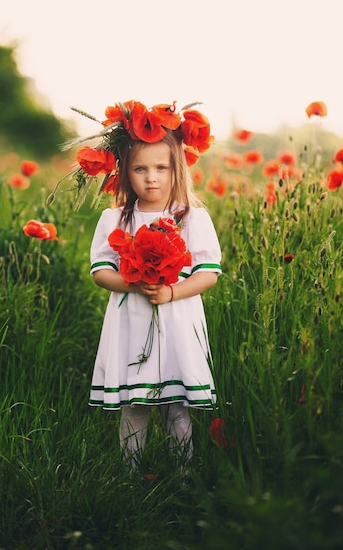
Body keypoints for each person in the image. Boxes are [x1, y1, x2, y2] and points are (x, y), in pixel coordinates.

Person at [82, 100, 222, 475]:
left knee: (178, 405)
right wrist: (134, 281)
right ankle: (130, 477)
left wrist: (172, 292)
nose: (152, 178)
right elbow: (100, 272)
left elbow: (208, 273)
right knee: (135, 404)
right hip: (133, 321)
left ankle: (184, 476)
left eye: (161, 168)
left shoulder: (192, 217)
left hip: (177, 320)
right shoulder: (115, 218)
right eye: (140, 169)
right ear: (124, 172)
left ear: (177, 170)